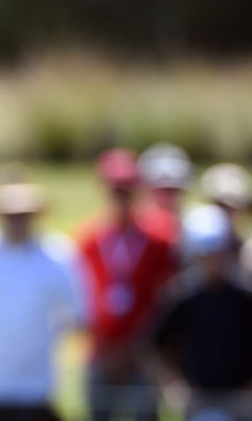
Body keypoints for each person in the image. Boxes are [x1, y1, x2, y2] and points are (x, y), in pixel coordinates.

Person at [0, 182, 81, 421]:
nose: (17, 222)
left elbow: (75, 313)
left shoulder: (55, 258)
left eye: (23, 215)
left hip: (34, 387)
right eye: (11, 216)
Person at [75, 148, 177, 421]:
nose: (121, 196)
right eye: (115, 189)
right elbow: (81, 299)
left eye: (127, 188)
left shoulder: (160, 241)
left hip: (142, 354)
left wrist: (133, 347)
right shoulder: (88, 240)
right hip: (101, 352)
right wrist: (105, 346)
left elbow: (165, 300)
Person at [151, 205, 252, 420]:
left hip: (240, 399)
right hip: (197, 399)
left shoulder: (243, 295)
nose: (213, 261)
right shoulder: (181, 295)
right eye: (206, 255)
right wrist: (172, 383)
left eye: (217, 253)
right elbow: (156, 345)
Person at [136, 142, 193, 249]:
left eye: (173, 190)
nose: (168, 198)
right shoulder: (136, 227)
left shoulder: (193, 224)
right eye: (162, 190)